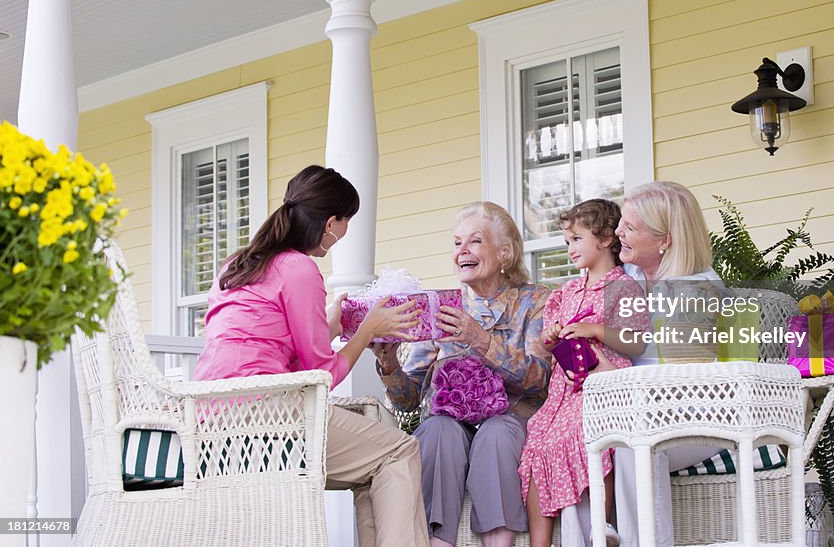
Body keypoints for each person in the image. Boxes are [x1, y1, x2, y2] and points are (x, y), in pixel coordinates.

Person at [192, 165, 430, 547]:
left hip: (210, 421)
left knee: (372, 465)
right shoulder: (299, 267)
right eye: (347, 220)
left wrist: (332, 327)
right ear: (331, 222)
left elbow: (273, 348)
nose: (345, 231)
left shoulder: (238, 264)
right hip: (265, 420)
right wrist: (368, 328)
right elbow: (321, 373)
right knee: (399, 449)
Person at [372, 202, 552, 547]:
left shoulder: (535, 302)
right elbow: (407, 401)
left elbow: (539, 377)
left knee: (496, 432)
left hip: (515, 423)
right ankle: (438, 541)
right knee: (437, 428)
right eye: (457, 243)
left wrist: (480, 340)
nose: (462, 251)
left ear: (504, 253)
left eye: (474, 241)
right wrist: (390, 363)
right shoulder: (440, 308)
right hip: (452, 428)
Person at [518, 199, 649, 547]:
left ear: (606, 238)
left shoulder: (623, 287)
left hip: (602, 384)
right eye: (567, 242)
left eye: (577, 239)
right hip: (564, 387)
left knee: (584, 431)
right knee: (537, 441)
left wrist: (594, 330)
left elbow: (635, 342)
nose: (570, 248)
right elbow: (550, 343)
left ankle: (601, 526)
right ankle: (539, 542)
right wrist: (551, 337)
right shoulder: (566, 293)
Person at [612, 181, 728, 547]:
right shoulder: (625, 279)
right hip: (633, 407)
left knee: (636, 436)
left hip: (696, 416)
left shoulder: (697, 288)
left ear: (665, 239)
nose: (617, 233)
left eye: (630, 228)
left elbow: (681, 379)